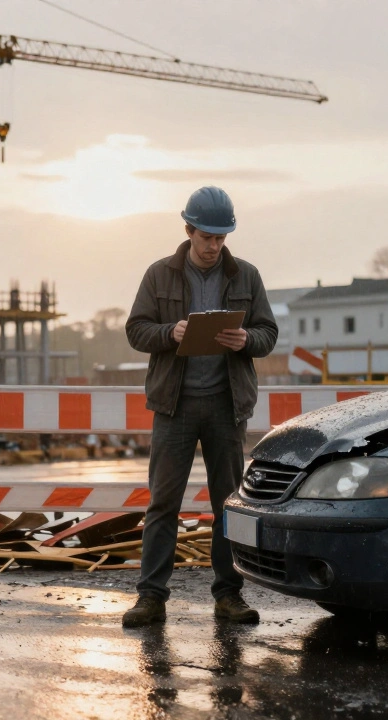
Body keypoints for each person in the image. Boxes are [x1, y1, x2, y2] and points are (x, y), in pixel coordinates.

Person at [122, 186, 278, 627]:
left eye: (221, 238)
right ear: (188, 229)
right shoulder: (159, 275)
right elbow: (136, 330)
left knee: (228, 505)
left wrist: (246, 339)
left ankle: (229, 596)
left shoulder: (246, 276)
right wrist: (169, 333)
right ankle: (151, 598)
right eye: (207, 237)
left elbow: (268, 333)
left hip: (226, 407)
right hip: (174, 407)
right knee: (163, 504)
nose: (213, 246)